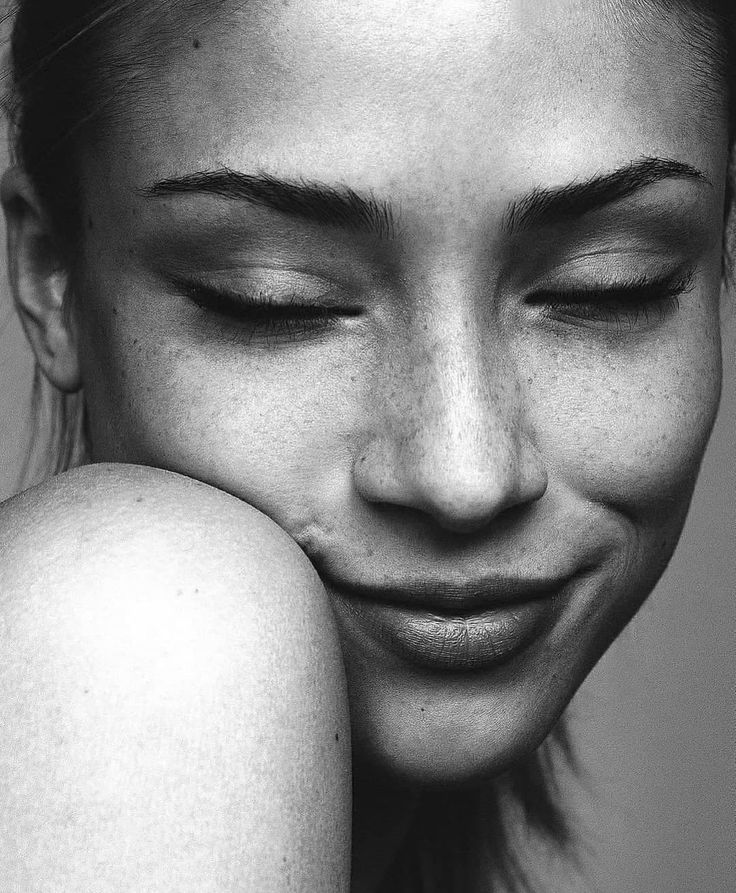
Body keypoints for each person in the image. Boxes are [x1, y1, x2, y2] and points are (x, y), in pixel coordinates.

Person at [0, 0, 732, 890]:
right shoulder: (131, 616)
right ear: (49, 275)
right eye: (275, 296)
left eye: (612, 285)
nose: (464, 475)